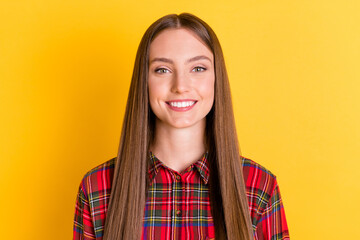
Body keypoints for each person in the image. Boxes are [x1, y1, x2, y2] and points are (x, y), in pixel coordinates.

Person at [73, 13, 290, 240]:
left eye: (197, 68)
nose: (180, 86)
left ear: (217, 78)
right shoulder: (97, 188)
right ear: (144, 81)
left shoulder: (259, 187)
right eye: (162, 70)